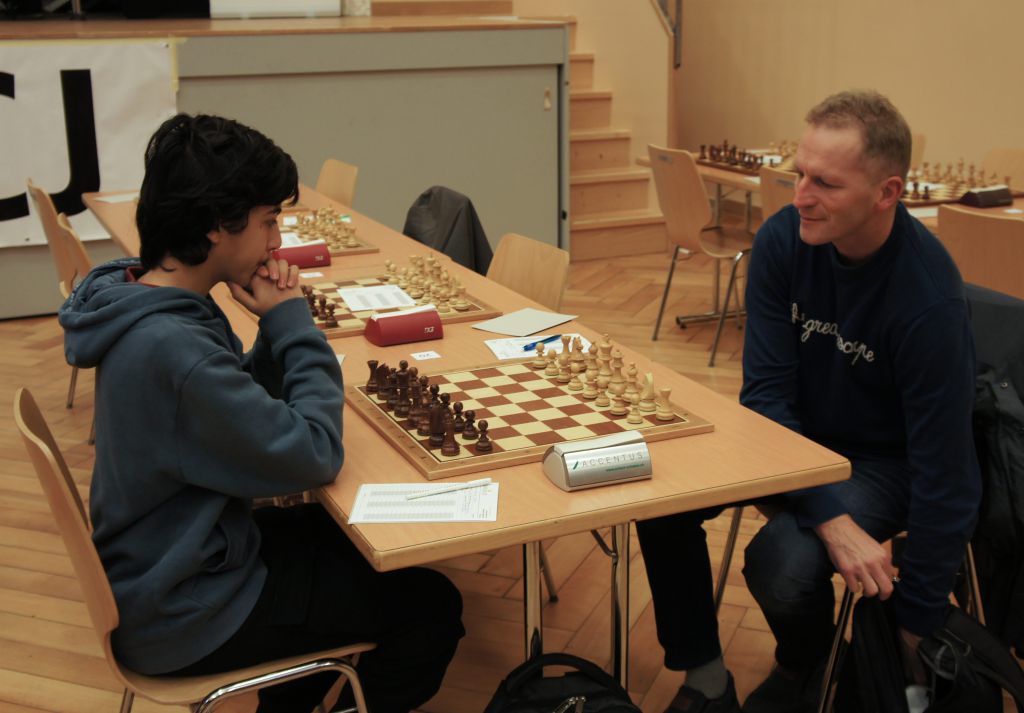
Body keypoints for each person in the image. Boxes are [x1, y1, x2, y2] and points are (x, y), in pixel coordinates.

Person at [59, 113, 464, 713]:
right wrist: (293, 324)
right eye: (269, 220)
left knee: (340, 542)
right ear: (216, 225)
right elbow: (314, 454)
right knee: (431, 607)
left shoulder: (149, 301)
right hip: (186, 609)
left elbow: (240, 408)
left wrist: (272, 336)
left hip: (167, 567)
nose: (277, 241)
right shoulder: (173, 348)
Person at [637, 90, 980, 713]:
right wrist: (831, 517)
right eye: (799, 174)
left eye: (825, 183)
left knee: (782, 563)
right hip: (785, 436)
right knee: (661, 493)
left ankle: (807, 667)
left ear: (887, 193)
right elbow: (766, 395)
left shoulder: (929, 302)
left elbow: (947, 474)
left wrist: (917, 620)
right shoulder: (783, 241)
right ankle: (707, 680)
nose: (800, 196)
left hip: (883, 463)